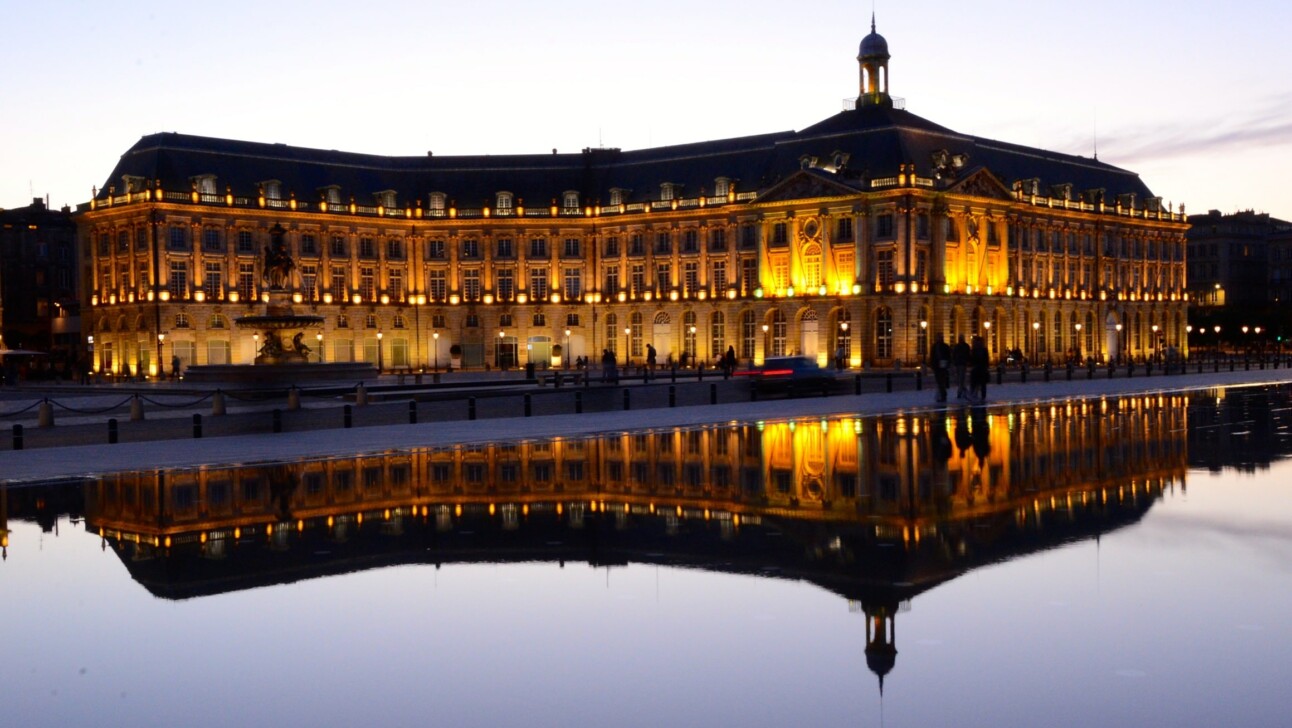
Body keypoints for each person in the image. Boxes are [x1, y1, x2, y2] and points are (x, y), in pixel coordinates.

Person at [929, 333, 952, 403]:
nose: (939, 339)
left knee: (941, 382)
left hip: (943, 366)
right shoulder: (934, 346)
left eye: (940, 337)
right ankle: (942, 395)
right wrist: (932, 365)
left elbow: (949, 356)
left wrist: (948, 363)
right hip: (936, 366)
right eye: (938, 337)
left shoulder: (945, 346)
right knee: (939, 382)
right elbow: (932, 356)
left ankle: (943, 395)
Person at [970, 335, 990, 403]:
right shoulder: (984, 349)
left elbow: (972, 359)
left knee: (975, 383)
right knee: (982, 384)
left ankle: (974, 395)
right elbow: (986, 359)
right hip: (982, 368)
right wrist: (987, 367)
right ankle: (982, 396)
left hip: (977, 368)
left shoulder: (974, 349)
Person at [952, 334, 971, 400]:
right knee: (960, 378)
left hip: (961, 364)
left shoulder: (958, 346)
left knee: (961, 378)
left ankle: (960, 392)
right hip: (960, 363)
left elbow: (954, 355)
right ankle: (963, 390)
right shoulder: (963, 346)